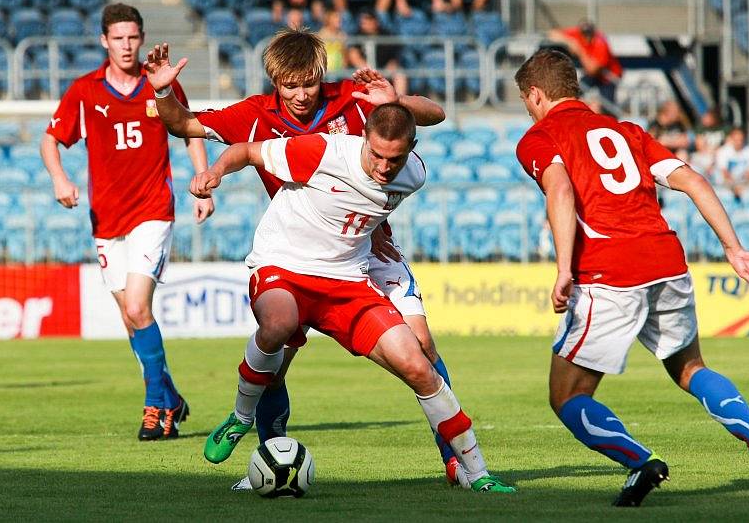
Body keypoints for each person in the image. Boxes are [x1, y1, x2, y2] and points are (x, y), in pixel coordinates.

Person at [143, 28, 462, 487]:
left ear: (321, 75)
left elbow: (435, 115)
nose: (300, 94)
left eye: (309, 83)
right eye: (290, 85)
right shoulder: (254, 114)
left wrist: (396, 102)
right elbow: (183, 125)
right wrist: (162, 90)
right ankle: (270, 456)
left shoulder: (351, 97)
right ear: (275, 81)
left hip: (369, 246)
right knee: (278, 354)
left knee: (423, 348)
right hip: (299, 253)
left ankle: (454, 460)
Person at [190, 103, 515, 494]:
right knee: (278, 325)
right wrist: (213, 173)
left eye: (393, 158)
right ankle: (241, 417)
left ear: (411, 148)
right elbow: (245, 151)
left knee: (418, 365)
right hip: (285, 265)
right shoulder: (323, 151)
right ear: (363, 138)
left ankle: (477, 473)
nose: (383, 167)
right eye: (375, 154)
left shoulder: (414, 175)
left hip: (347, 282)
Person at [515, 49, 749, 506]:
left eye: (525, 100)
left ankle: (640, 461)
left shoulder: (540, 136)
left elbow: (561, 190)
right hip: (667, 261)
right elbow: (692, 180)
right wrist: (734, 248)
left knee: (567, 396)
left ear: (535, 94)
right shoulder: (627, 131)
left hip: (609, 272)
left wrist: (564, 268)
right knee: (691, 369)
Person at [40, 3, 214, 441]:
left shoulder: (159, 85)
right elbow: (50, 139)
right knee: (130, 316)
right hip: (106, 219)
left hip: (153, 210)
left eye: (133, 37)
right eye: (118, 38)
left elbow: (191, 128)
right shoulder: (85, 90)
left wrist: (203, 181)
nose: (126, 45)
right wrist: (60, 178)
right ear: (104, 41)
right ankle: (170, 396)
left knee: (138, 307)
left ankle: (155, 404)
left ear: (141, 38)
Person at [548, 20, 622, 105]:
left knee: (607, 106)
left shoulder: (600, 43)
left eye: (589, 33)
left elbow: (593, 70)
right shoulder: (577, 34)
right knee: (574, 93)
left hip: (608, 76)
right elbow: (552, 34)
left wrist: (579, 50)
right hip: (593, 75)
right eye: (584, 33)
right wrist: (570, 42)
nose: (586, 37)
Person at [714, 127, 749, 203]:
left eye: (741, 140)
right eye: (736, 140)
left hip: (741, 184)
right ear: (731, 139)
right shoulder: (723, 151)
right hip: (724, 184)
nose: (739, 142)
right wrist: (734, 187)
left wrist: (744, 185)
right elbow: (724, 173)